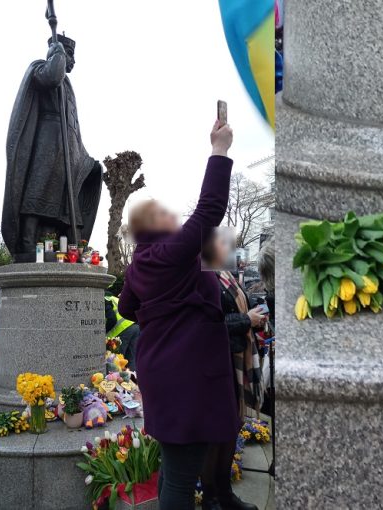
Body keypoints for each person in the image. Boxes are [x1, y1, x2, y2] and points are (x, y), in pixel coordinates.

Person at [118, 118, 235, 510]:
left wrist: (163, 316)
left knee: (174, 467)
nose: (174, 216)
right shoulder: (173, 253)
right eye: (165, 214)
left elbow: (126, 307)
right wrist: (219, 151)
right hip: (188, 377)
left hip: (162, 373)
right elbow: (210, 211)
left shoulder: (140, 265)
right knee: (182, 480)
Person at [2, 34, 103, 262]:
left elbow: (75, 128)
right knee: (38, 189)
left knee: (64, 201)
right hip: (47, 138)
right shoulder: (42, 68)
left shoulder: (68, 85)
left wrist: (86, 160)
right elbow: (51, 77)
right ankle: (27, 243)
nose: (72, 62)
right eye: (70, 56)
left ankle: (61, 246)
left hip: (68, 146)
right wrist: (56, 52)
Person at [199, 230, 263, 510]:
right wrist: (246, 320)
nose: (233, 253)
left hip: (234, 360)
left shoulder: (226, 277)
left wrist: (256, 320)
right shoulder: (204, 279)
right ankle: (212, 497)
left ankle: (225, 495)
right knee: (216, 433)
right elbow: (206, 327)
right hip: (215, 364)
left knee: (230, 430)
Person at [104, 295, 140, 370]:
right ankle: (133, 380)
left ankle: (116, 381)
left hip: (121, 331)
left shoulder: (104, 300)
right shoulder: (113, 298)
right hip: (134, 326)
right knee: (131, 359)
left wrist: (103, 332)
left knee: (116, 361)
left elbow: (112, 319)